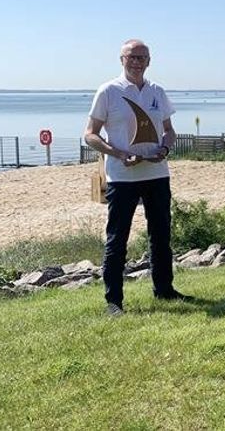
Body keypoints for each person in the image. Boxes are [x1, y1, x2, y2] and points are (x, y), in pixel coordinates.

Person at [84, 39, 189, 316]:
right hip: (122, 177)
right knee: (117, 239)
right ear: (122, 60)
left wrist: (166, 148)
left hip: (156, 173)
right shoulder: (108, 91)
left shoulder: (157, 91)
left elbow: (169, 130)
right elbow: (90, 134)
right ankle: (114, 302)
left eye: (142, 57)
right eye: (132, 57)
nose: (137, 62)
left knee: (161, 236)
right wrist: (116, 153)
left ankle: (164, 290)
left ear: (149, 61)